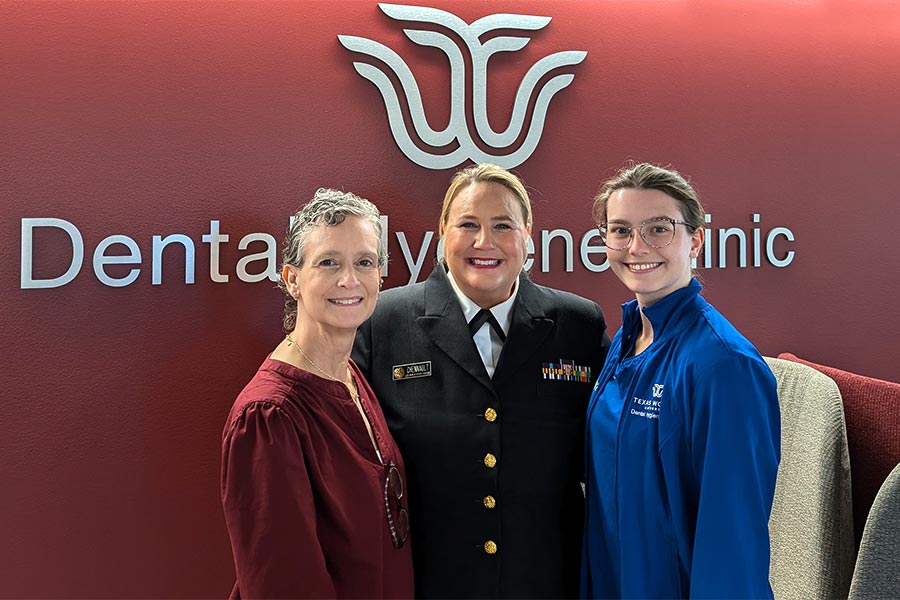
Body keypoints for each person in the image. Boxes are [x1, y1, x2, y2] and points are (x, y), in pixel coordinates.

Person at [353, 163, 610, 598]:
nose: (484, 242)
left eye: (502, 226)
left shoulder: (578, 325)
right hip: (428, 583)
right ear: (442, 232)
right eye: (468, 224)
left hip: (546, 582)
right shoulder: (383, 321)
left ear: (528, 235)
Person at [582, 163, 780, 598]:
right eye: (620, 230)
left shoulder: (724, 365)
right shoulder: (628, 336)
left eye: (658, 228)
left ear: (696, 240)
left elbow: (733, 547)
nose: (636, 246)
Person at [221, 189, 413, 599]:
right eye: (328, 262)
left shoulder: (351, 377)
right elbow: (283, 586)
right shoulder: (269, 415)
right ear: (292, 278)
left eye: (364, 262)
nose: (349, 280)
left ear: (380, 275)